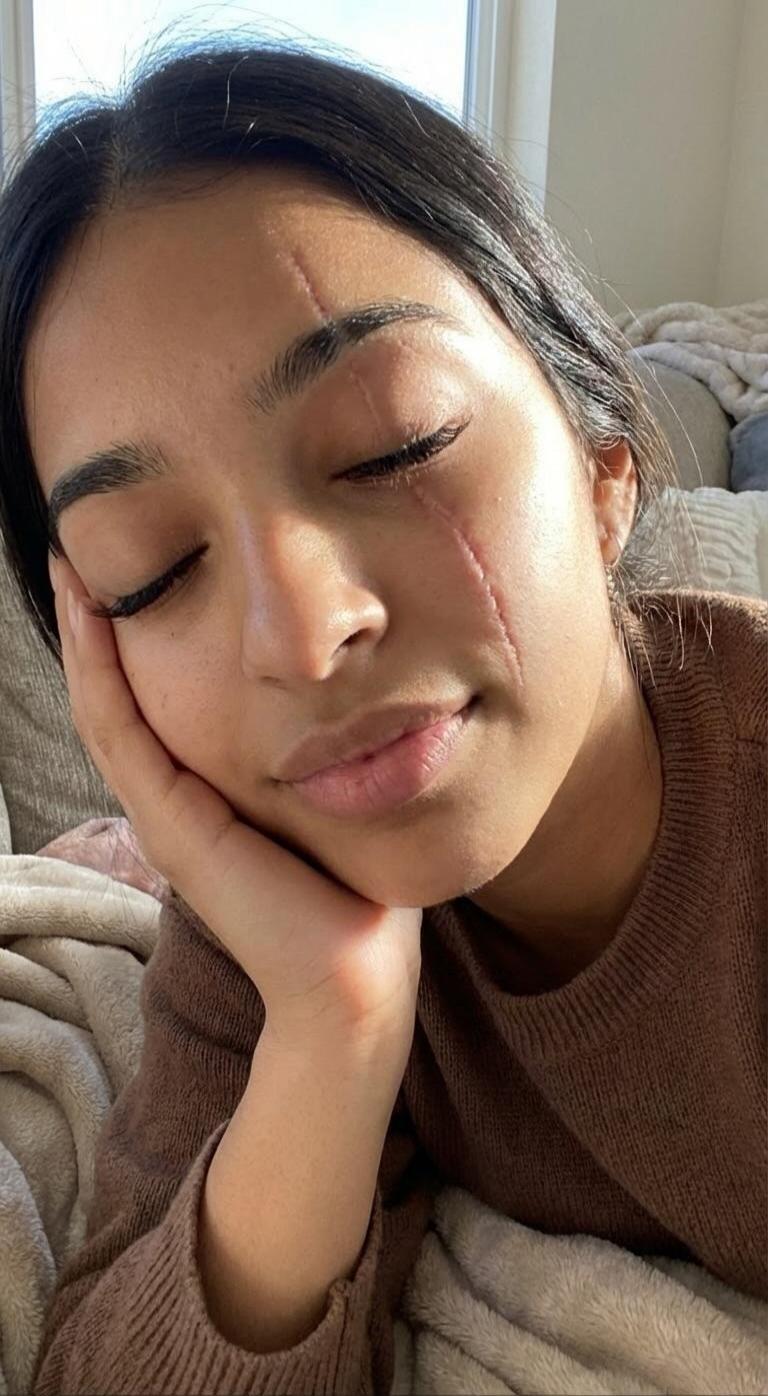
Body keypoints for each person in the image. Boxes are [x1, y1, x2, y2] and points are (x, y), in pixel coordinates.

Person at [0, 35, 763, 1396]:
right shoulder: (266, 915)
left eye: (391, 445)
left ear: (608, 467)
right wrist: (332, 1024)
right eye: (155, 570)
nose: (301, 635)